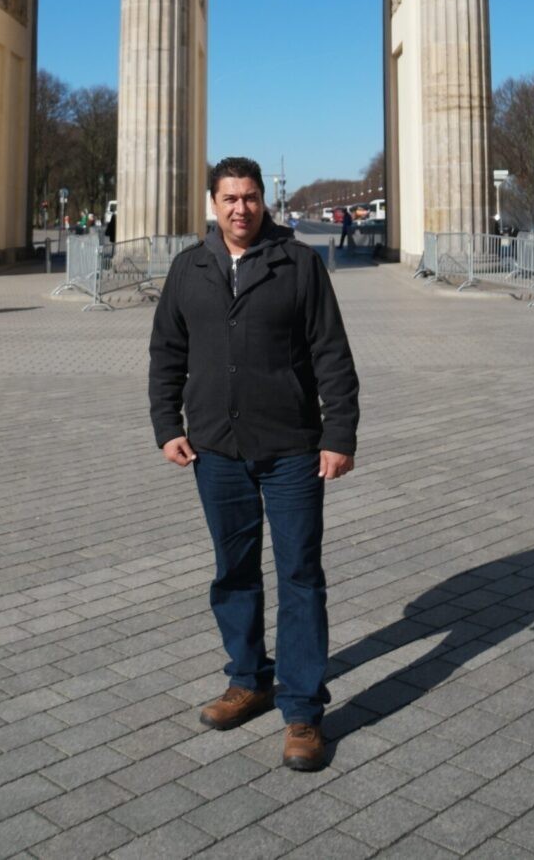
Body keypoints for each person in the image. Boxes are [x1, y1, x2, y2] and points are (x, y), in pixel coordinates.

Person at [149, 156, 359, 772]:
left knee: (299, 576)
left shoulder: (299, 265)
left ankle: (301, 713)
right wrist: (168, 426)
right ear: (212, 204)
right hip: (215, 448)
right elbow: (167, 352)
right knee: (233, 571)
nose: (241, 208)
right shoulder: (189, 269)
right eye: (229, 198)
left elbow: (332, 354)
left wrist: (339, 433)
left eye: (250, 197)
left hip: (292, 448)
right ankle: (249, 678)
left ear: (263, 201)